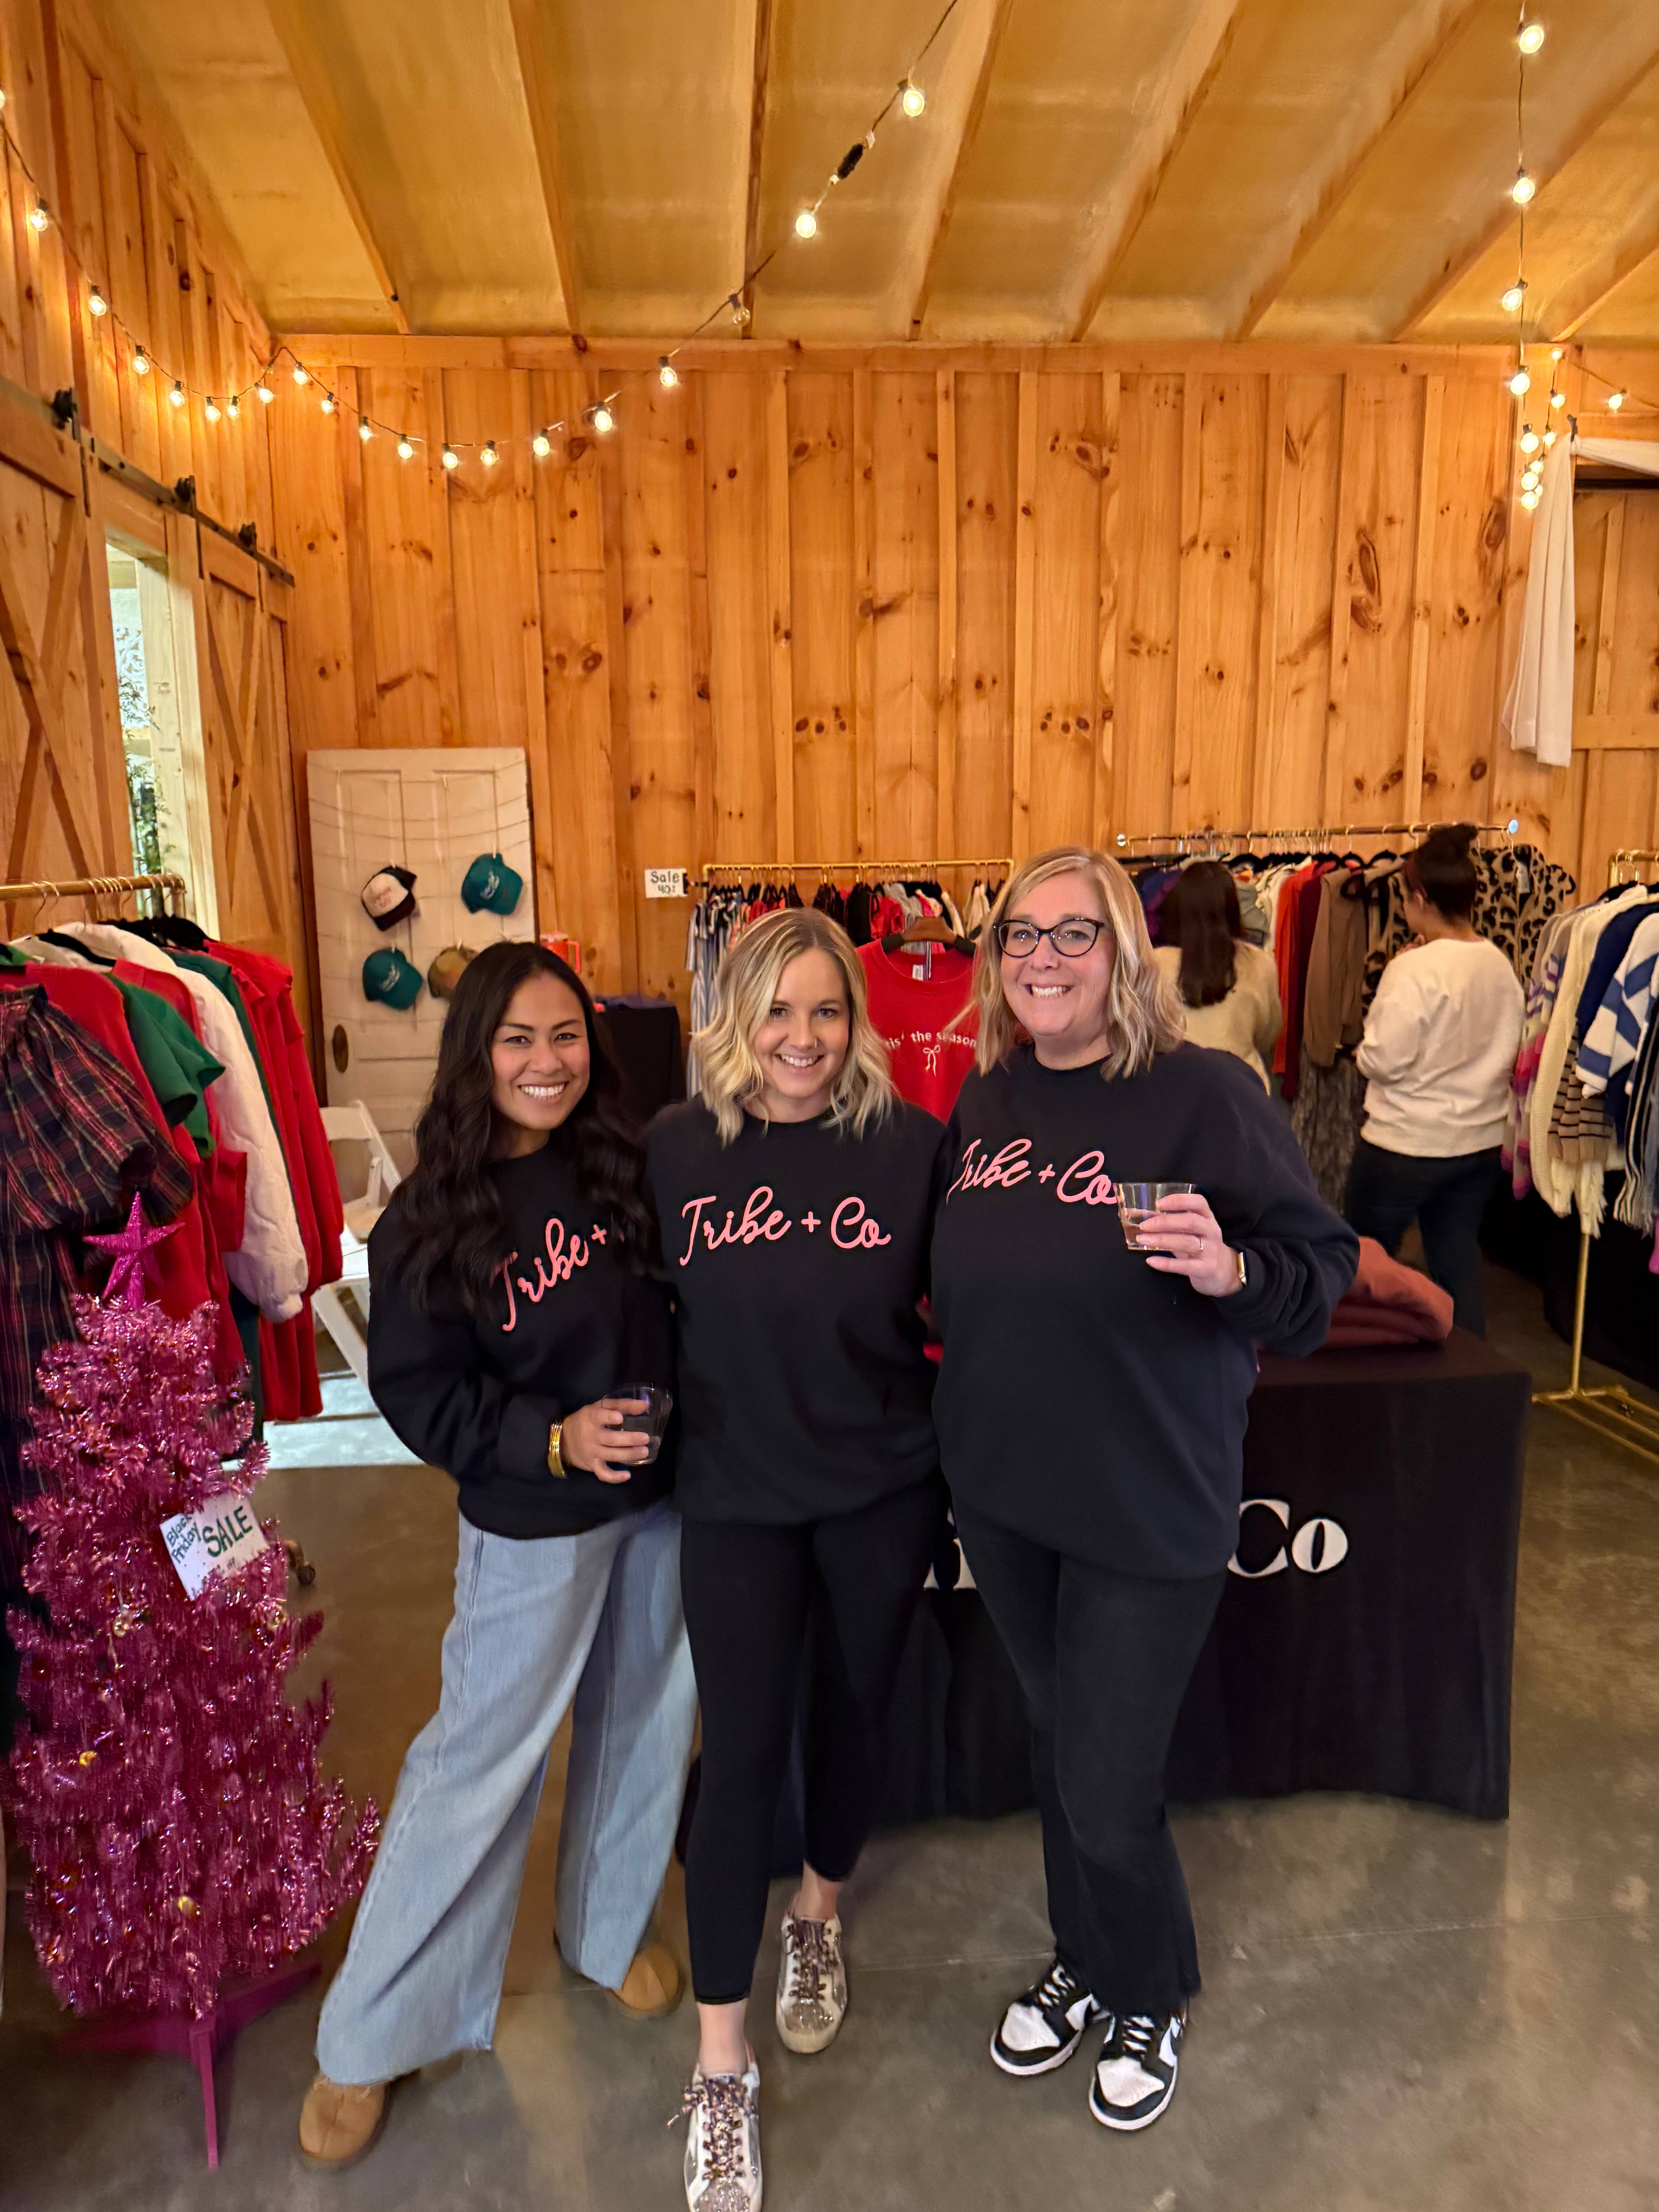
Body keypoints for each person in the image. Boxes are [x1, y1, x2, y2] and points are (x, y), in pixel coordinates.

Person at [929, 845, 1355, 2135]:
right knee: (1059, 1748)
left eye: (1075, 932)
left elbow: (1317, 1271)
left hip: (1143, 1500)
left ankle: (1146, 1988)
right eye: (1020, 934)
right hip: (1006, 1497)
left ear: (1124, 951)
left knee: (1108, 1784)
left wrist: (1232, 1273)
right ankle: (1084, 1957)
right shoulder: (988, 1099)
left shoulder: (1202, 1094)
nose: (1043, 956)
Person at [298, 943, 697, 2170]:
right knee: (476, 1767)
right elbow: (421, 1395)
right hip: (533, 1521)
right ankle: (370, 2035)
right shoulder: (431, 1216)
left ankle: (604, 1929)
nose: (545, 1061)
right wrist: (552, 1439)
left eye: (566, 1035)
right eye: (517, 1039)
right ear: (475, 1053)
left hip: (663, 1504)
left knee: (644, 1725)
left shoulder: (627, 1163)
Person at [647, 907, 950, 2212]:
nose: (803, 1038)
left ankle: (816, 1917)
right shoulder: (674, 1150)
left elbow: (991, 1300)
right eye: (777, 1010)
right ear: (735, 1017)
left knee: (851, 1715)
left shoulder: (911, 1148)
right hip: (735, 1500)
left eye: (827, 1010)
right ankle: (721, 2070)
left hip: (880, 1490)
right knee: (737, 1763)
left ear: (856, 1018)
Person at [1345, 824, 1524, 1335]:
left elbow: (1385, 1060)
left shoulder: (1414, 970)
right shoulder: (1499, 965)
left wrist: (1363, 1052)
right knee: (1456, 1264)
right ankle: (1468, 1370)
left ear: (1420, 898)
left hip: (1405, 1143)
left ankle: (1364, 1365)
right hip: (1477, 1143)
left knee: (1362, 1260)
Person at [1152, 860, 1283, 1089]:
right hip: (1244, 1089)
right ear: (1232, 908)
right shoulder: (1258, 963)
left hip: (1175, 1089)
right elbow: (1268, 1033)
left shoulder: (1155, 965)